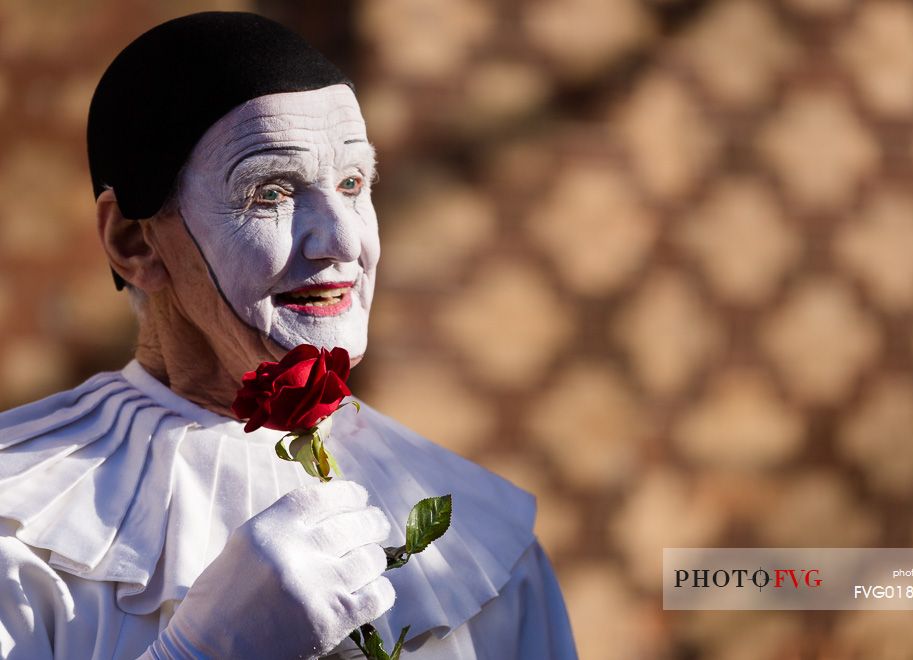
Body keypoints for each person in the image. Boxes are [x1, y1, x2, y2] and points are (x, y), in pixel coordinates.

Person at [0, 12, 577, 660]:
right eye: (270, 190)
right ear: (134, 241)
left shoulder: (487, 551)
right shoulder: (19, 530)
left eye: (354, 184)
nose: (342, 241)